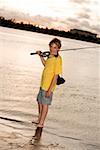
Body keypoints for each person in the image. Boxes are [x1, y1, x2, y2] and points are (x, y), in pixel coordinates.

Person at [33, 38, 62, 140]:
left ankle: (41, 124)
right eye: (51, 47)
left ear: (58, 49)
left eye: (55, 47)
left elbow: (55, 76)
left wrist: (50, 90)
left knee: (45, 105)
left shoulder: (58, 59)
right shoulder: (50, 57)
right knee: (40, 102)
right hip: (42, 84)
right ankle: (39, 119)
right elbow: (46, 65)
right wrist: (41, 56)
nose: (53, 49)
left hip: (48, 87)